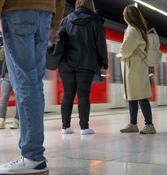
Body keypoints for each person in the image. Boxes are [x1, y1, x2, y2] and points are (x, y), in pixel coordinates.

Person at [0, 0, 66, 175]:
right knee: (34, 82)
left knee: (25, 82)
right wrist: (55, 24)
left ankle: (32, 157)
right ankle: (35, 154)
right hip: (45, 15)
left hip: (17, 12)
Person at [56, 0, 108, 135]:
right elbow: (100, 43)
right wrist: (104, 62)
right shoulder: (96, 20)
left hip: (66, 63)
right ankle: (84, 128)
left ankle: (65, 127)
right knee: (83, 95)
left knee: (68, 94)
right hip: (86, 63)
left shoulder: (66, 20)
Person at [117, 5, 156, 134]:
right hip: (134, 67)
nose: (123, 17)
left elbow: (126, 49)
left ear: (129, 16)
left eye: (124, 15)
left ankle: (149, 125)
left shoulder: (133, 30)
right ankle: (133, 123)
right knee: (133, 96)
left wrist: (120, 55)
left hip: (134, 67)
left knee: (140, 96)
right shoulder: (137, 29)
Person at [0, 47, 19, 129]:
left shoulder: (21, 44)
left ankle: (16, 121)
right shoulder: (7, 45)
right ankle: (1, 121)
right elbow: (0, 57)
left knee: (19, 99)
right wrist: (3, 50)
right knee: (3, 99)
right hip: (6, 76)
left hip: (18, 76)